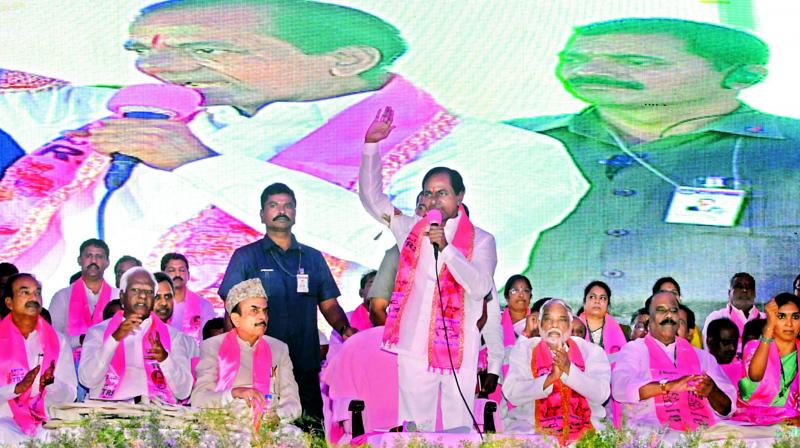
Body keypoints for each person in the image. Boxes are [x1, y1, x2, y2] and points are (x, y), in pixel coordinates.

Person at [0, 0, 577, 306]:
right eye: (142, 51)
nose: (158, 67)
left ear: (348, 61)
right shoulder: (120, 112)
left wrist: (205, 165)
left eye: (206, 49)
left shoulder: (504, 154)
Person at [507, 17, 800, 303]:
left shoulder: (792, 148)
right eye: (573, 59)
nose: (588, 71)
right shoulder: (508, 141)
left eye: (636, 62)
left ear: (743, 76)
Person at [360, 107, 499, 431]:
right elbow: (372, 199)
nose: (434, 200)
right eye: (428, 193)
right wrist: (371, 145)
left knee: (458, 427)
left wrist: (447, 250)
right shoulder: (410, 229)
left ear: (459, 197)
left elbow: (479, 287)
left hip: (459, 347)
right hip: (413, 344)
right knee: (414, 429)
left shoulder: (481, 240)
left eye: (443, 193)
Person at [219, 182, 354, 432]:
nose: (281, 210)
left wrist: (344, 327)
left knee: (310, 430)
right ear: (262, 214)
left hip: (304, 361)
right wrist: (236, 357)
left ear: (294, 213)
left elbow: (329, 303)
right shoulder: (246, 256)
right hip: (260, 362)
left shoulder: (312, 257)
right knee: (262, 432)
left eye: (287, 205)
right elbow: (232, 309)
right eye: (273, 205)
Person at [612, 291, 735, 432]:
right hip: (652, 432)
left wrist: (712, 391)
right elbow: (620, 388)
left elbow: (728, 408)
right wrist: (668, 386)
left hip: (703, 432)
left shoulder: (703, 357)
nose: (669, 315)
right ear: (649, 320)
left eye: (674, 310)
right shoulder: (635, 350)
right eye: (661, 310)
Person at [503, 299, 610, 444]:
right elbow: (512, 393)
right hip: (532, 433)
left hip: (585, 436)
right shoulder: (524, 349)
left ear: (570, 326)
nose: (554, 325)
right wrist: (550, 378)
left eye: (561, 320)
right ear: (540, 325)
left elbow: (601, 394)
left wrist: (569, 370)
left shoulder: (592, 352)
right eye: (548, 319)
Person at [192, 278, 301, 421]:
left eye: (265, 311)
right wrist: (233, 394)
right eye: (254, 311)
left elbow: (293, 403)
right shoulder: (212, 347)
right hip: (224, 425)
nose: (263, 317)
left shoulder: (279, 349)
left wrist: (277, 416)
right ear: (236, 319)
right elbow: (199, 399)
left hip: (269, 427)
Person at [78, 267, 193, 402]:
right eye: (135, 290)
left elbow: (184, 391)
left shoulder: (173, 336)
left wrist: (165, 359)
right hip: (106, 414)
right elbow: (87, 380)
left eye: (149, 292)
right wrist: (114, 340)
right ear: (122, 297)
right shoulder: (98, 332)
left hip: (157, 415)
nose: (143, 296)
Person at [0, 274, 76, 444]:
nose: (33, 297)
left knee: (66, 434)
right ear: (9, 302)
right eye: (24, 292)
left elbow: (70, 395)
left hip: (44, 422)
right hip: (5, 421)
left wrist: (51, 383)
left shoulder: (59, 341)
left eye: (37, 292)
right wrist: (16, 388)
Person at [735, 293, 800, 424]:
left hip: (792, 426)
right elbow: (755, 376)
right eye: (781, 316)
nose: (789, 323)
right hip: (752, 425)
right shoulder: (754, 347)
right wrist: (769, 328)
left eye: (795, 317)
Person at [368, 193, 430, 326]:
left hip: (453, 342)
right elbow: (377, 309)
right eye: (422, 208)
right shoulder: (396, 253)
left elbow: (480, 311)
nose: (426, 214)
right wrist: (397, 339)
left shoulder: (464, 251)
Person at [49, 239, 119, 352]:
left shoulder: (117, 296)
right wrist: (79, 340)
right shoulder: (62, 297)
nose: (94, 260)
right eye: (89, 255)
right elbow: (52, 338)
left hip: (110, 365)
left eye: (99, 256)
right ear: (79, 260)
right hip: (71, 365)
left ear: (107, 262)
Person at [161, 253, 216, 342]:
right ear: (163, 274)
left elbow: (209, 341)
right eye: (172, 270)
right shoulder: (154, 304)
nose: (177, 274)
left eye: (182, 270)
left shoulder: (204, 306)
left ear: (188, 275)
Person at [703, 272, 764, 352]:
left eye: (749, 287)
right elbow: (709, 353)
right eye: (739, 286)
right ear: (729, 293)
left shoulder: (766, 319)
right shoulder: (716, 318)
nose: (745, 290)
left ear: (755, 294)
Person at [580, 281, 626, 361]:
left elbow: (625, 360)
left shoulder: (618, 330)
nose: (597, 301)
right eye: (592, 297)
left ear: (608, 305)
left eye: (602, 298)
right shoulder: (573, 327)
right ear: (584, 302)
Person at [705, 318, 742, 388]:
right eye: (726, 343)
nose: (732, 348)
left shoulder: (742, 372)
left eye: (735, 343)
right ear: (710, 341)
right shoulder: (700, 373)